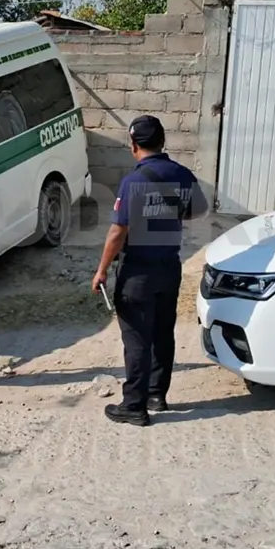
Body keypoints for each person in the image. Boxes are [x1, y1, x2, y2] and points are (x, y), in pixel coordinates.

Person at [91, 115, 207, 427]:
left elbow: (118, 232)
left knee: (137, 339)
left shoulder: (133, 182)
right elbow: (200, 209)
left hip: (137, 273)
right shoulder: (182, 174)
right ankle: (156, 395)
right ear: (163, 141)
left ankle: (134, 406)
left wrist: (101, 270)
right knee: (162, 333)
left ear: (133, 144)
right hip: (169, 268)